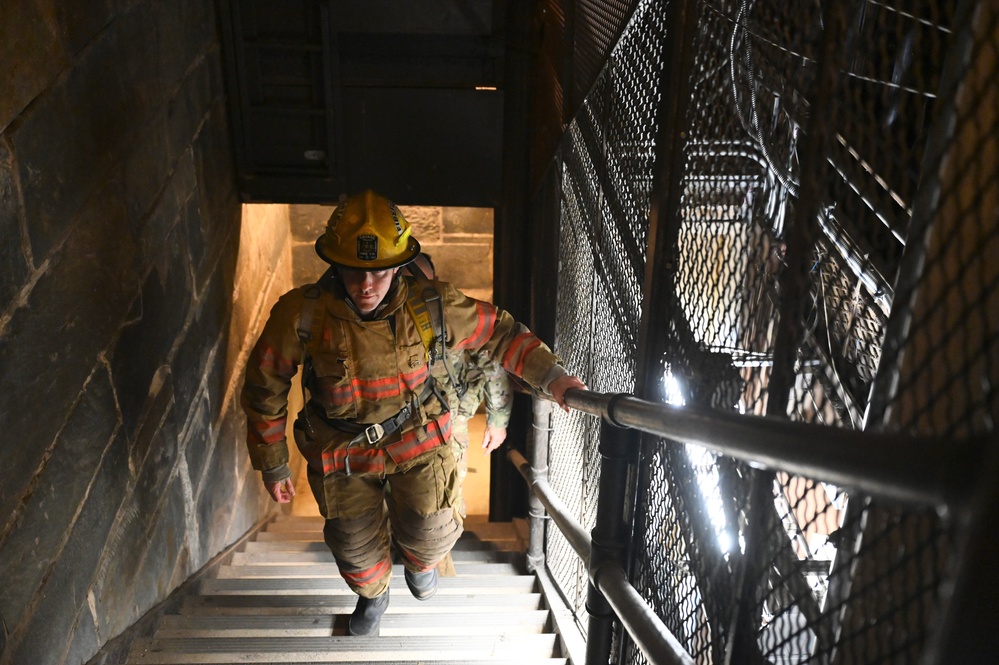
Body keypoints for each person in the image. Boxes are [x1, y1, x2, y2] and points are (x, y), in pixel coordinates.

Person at [240, 190, 586, 637]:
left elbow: (500, 333)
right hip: (342, 451)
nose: (366, 285)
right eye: (354, 270)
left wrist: (553, 378)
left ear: (399, 266)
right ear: (335, 264)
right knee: (354, 547)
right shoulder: (302, 313)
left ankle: (421, 566)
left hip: (419, 439)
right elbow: (265, 384)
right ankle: (373, 594)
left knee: (432, 529)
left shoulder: (433, 305)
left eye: (380, 272)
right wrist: (272, 463)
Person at [409, 253, 513, 517]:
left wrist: (498, 421)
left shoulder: (450, 314)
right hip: (402, 422)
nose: (415, 289)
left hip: (448, 420)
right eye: (409, 281)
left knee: (449, 492)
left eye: (421, 282)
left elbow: (491, 359)